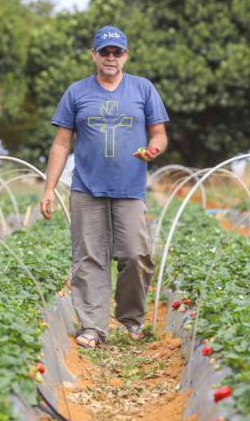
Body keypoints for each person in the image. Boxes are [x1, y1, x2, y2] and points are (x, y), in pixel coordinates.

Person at [39, 25, 169, 349]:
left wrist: (153, 150)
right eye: (105, 51)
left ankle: (130, 318)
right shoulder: (77, 92)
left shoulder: (143, 89)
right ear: (94, 55)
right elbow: (61, 144)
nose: (111, 57)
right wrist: (49, 188)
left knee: (136, 255)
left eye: (117, 52)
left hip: (130, 188)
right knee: (89, 258)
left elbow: (159, 134)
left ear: (126, 55)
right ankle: (93, 328)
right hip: (87, 187)